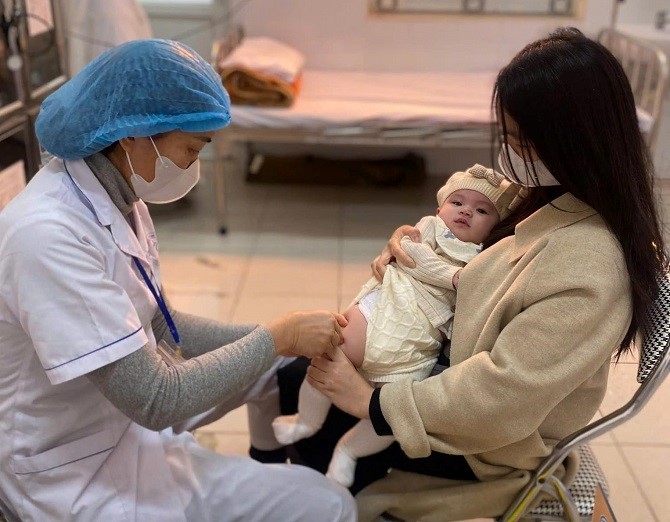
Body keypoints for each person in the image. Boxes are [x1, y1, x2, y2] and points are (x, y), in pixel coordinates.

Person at [277, 27, 668, 521]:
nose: (509, 152)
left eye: (522, 140)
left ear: (574, 142)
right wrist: (413, 239)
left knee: (302, 384)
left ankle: (319, 503)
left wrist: (370, 403)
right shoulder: (550, 198)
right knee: (304, 368)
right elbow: (471, 239)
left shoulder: (590, 267)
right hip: (451, 363)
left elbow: (500, 397)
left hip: (489, 437)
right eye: (507, 136)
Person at [0, 40, 356, 521]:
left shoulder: (118, 196)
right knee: (329, 504)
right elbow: (155, 399)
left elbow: (165, 325)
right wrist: (276, 337)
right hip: (71, 473)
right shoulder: (47, 236)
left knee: (279, 375)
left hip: (124, 426)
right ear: (134, 134)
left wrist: (282, 342)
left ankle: (266, 462)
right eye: (190, 149)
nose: (193, 166)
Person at [272, 165, 521, 487]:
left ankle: (348, 451)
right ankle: (307, 421)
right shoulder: (428, 229)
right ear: (439, 209)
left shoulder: (486, 258)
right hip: (385, 312)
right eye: (457, 202)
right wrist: (456, 278)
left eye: (482, 210)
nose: (466, 211)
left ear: (495, 229)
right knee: (325, 360)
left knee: (393, 415)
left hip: (417, 345)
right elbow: (412, 258)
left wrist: (469, 281)